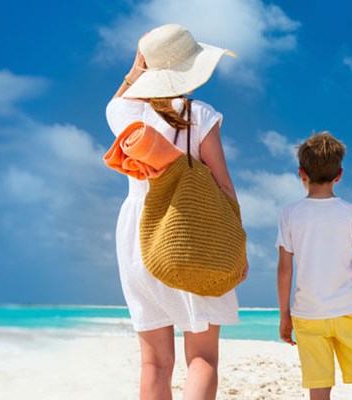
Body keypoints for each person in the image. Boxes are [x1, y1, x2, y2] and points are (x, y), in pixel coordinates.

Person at [106, 23, 248, 399]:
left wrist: (136, 68)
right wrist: (238, 248)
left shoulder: (123, 115)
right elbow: (223, 186)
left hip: (139, 236)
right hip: (191, 232)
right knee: (203, 358)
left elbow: (118, 98)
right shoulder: (200, 115)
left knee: (154, 363)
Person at [276, 132, 352, 400]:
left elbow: (284, 269)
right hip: (348, 312)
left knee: (319, 386)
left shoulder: (289, 214)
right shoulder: (351, 212)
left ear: (301, 173)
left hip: (307, 314)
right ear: (339, 174)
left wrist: (284, 314)